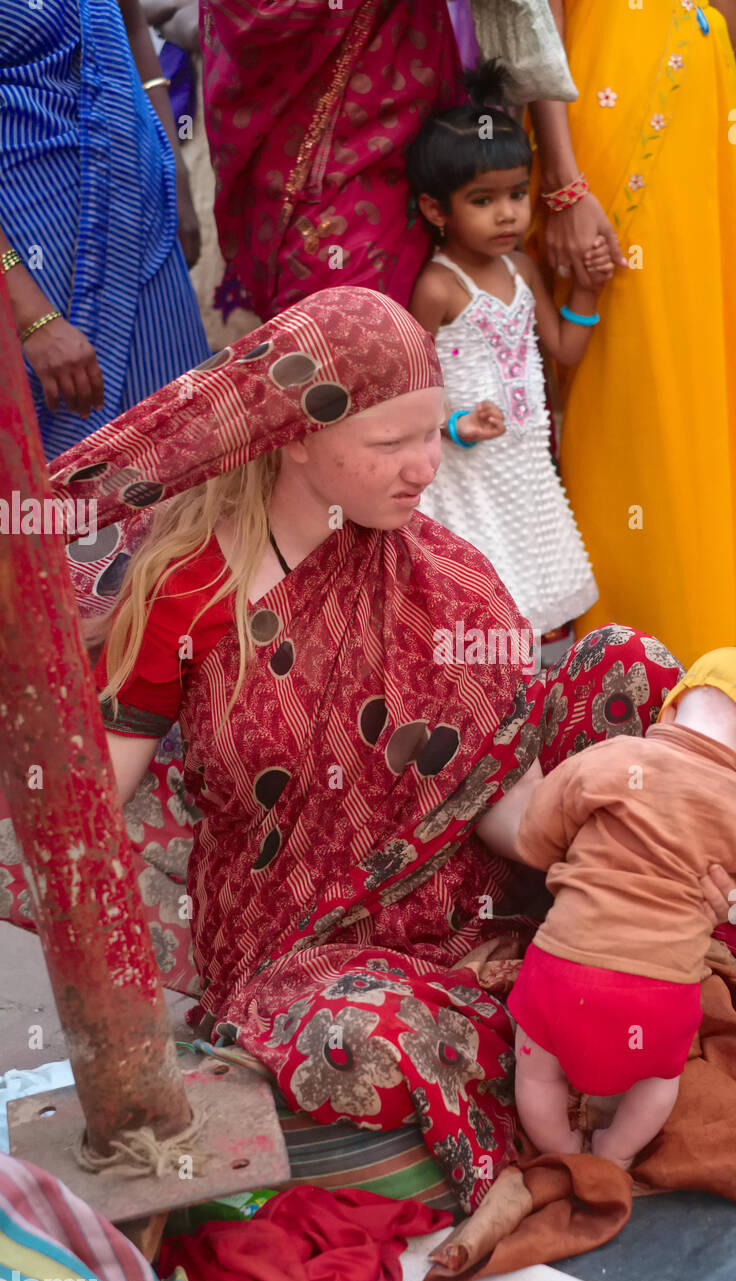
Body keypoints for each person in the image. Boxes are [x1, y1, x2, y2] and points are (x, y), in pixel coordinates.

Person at [47, 286, 701, 1214]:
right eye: (391, 444)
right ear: (295, 437)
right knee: (354, 1039)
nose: (425, 467)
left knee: (632, 667)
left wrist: (618, 831)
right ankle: (563, 1029)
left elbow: (506, 808)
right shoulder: (189, 595)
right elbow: (91, 795)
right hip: (299, 948)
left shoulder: (448, 578)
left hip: (469, 899)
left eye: (431, 435)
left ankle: (574, 996)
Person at [526, 0, 736, 669]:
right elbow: (536, 28)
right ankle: (632, 664)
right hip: (611, 131)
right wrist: (564, 186)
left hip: (710, 131)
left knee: (719, 378)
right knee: (635, 383)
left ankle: (734, 642)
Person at [507, 646, 736, 1169]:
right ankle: (615, 1154)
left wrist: (565, 857)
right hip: (658, 996)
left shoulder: (608, 758)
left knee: (537, 1070)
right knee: (658, 1081)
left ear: (670, 710)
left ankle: (560, 1151)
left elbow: (535, 835)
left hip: (559, 972)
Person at [200, 0, 625, 320]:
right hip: (322, 159)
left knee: (423, 369)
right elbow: (257, 16)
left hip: (417, 123)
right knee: (344, 369)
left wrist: (565, 186)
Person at [407, 62, 603, 645]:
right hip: (467, 474)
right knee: (487, 599)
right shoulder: (438, 288)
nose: (508, 214)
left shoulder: (521, 269)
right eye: (483, 199)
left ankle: (540, 707)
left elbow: (564, 347)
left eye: (518, 194)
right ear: (437, 210)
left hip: (526, 465)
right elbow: (408, 389)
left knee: (539, 587)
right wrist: (456, 423)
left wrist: (588, 289)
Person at [0, 0, 207, 460]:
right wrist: (32, 317)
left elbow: (133, 29)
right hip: (33, 248)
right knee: (67, 474)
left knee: (186, 448)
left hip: (143, 226)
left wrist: (175, 170)